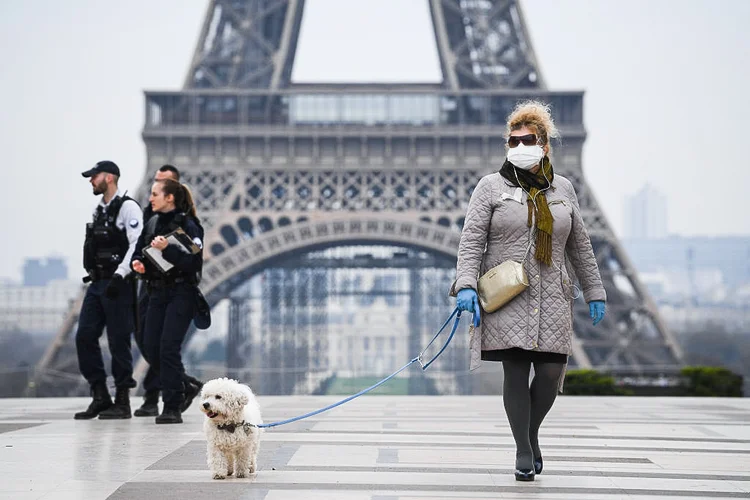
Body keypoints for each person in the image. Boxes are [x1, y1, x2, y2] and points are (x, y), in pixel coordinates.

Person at [451, 101, 606, 481]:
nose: (520, 146)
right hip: (509, 293)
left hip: (552, 292)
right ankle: (523, 450)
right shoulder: (491, 186)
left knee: (552, 371)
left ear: (545, 145)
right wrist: (466, 285)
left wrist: (595, 290)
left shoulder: (564, 188)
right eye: (513, 140)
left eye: (528, 140)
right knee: (516, 372)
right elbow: (472, 241)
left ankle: (530, 435)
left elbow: (580, 245)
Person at [132, 164, 204, 417]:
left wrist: (168, 249)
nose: (149, 198)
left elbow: (194, 262)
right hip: (156, 292)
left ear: (169, 197)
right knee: (150, 346)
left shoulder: (189, 225)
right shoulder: (151, 223)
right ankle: (184, 384)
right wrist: (138, 264)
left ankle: (172, 405)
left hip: (181, 293)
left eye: (155, 194)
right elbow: (140, 250)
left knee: (168, 348)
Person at [74, 161, 143, 420]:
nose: (91, 180)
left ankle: (122, 400)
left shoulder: (128, 208)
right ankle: (100, 394)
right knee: (84, 336)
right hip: (97, 282)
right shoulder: (100, 210)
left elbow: (136, 244)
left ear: (110, 177)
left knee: (118, 341)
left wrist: (120, 274)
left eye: (95, 176)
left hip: (117, 283)